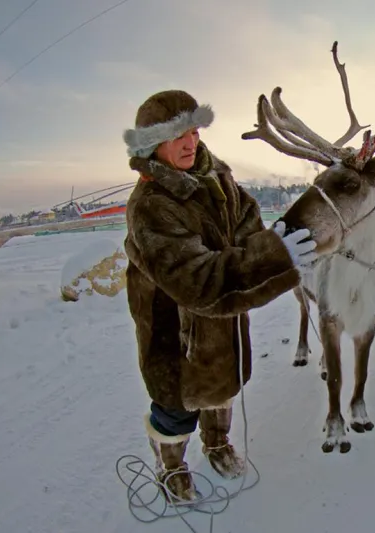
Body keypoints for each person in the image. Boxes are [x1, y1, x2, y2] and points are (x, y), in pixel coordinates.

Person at [122, 89, 316, 503]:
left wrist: (270, 243)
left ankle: (216, 443)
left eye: (193, 130)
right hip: (174, 332)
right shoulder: (150, 206)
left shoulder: (219, 176)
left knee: (222, 387)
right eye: (178, 136)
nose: (191, 142)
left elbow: (247, 225)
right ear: (152, 144)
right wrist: (272, 261)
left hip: (223, 322)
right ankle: (171, 462)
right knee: (176, 407)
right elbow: (199, 283)